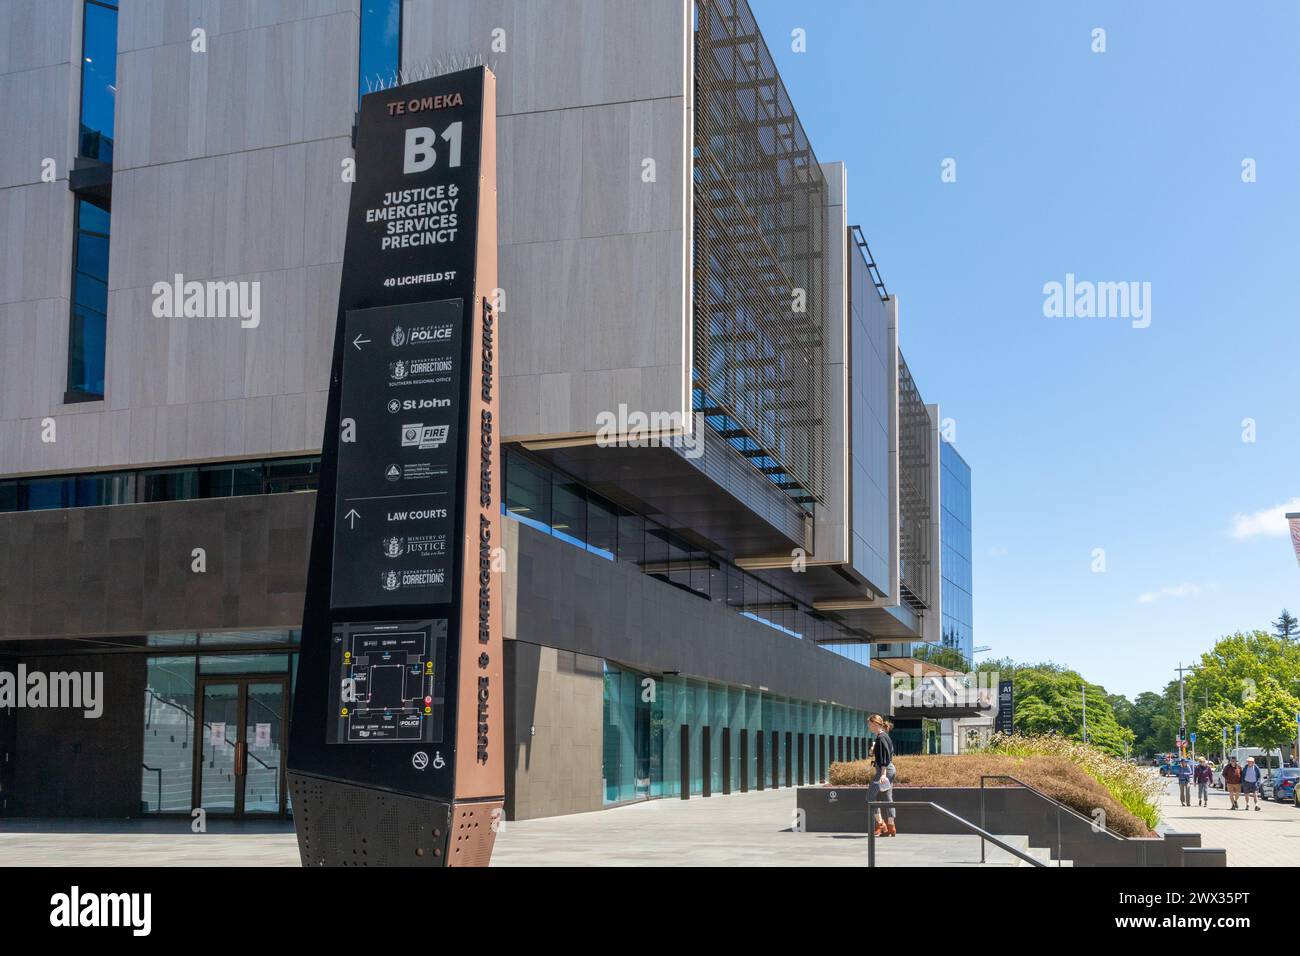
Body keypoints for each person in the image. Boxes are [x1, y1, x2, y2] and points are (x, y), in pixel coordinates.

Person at [867, 714, 896, 837]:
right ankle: (891, 827)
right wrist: (872, 749)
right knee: (887, 797)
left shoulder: (881, 738)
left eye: (870, 724)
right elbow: (887, 754)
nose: (869, 727)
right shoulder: (883, 737)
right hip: (888, 769)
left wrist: (883, 774)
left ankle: (881, 825)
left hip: (885, 771)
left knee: (870, 796)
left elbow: (884, 757)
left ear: (875, 724)